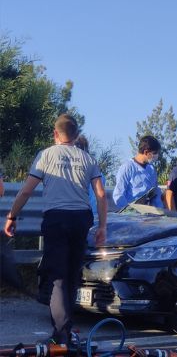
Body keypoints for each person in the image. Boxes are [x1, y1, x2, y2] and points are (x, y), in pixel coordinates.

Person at [3, 114, 107, 344]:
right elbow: (100, 195)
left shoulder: (47, 155)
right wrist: (102, 226)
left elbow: (26, 191)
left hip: (56, 218)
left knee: (57, 277)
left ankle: (61, 333)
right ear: (77, 135)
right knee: (72, 274)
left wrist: (12, 216)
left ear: (55, 134)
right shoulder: (88, 158)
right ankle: (66, 329)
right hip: (81, 218)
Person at [113, 135, 163, 209]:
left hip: (150, 216)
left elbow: (156, 194)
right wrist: (128, 211)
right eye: (154, 153)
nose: (156, 156)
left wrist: (160, 211)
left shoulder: (151, 169)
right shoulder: (127, 167)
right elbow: (118, 194)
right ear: (146, 152)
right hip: (131, 216)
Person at [74, 134, 106, 215]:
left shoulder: (69, 174)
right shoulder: (100, 175)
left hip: (77, 215)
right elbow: (101, 197)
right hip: (93, 216)